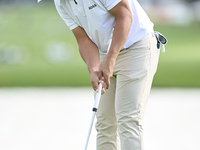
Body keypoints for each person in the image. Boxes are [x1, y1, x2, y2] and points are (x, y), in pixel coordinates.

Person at [53, 0, 165, 149]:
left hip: (137, 47)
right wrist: (94, 69)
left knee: (128, 120)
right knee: (104, 123)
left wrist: (110, 59)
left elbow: (125, 15)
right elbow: (83, 38)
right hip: (104, 53)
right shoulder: (60, 3)